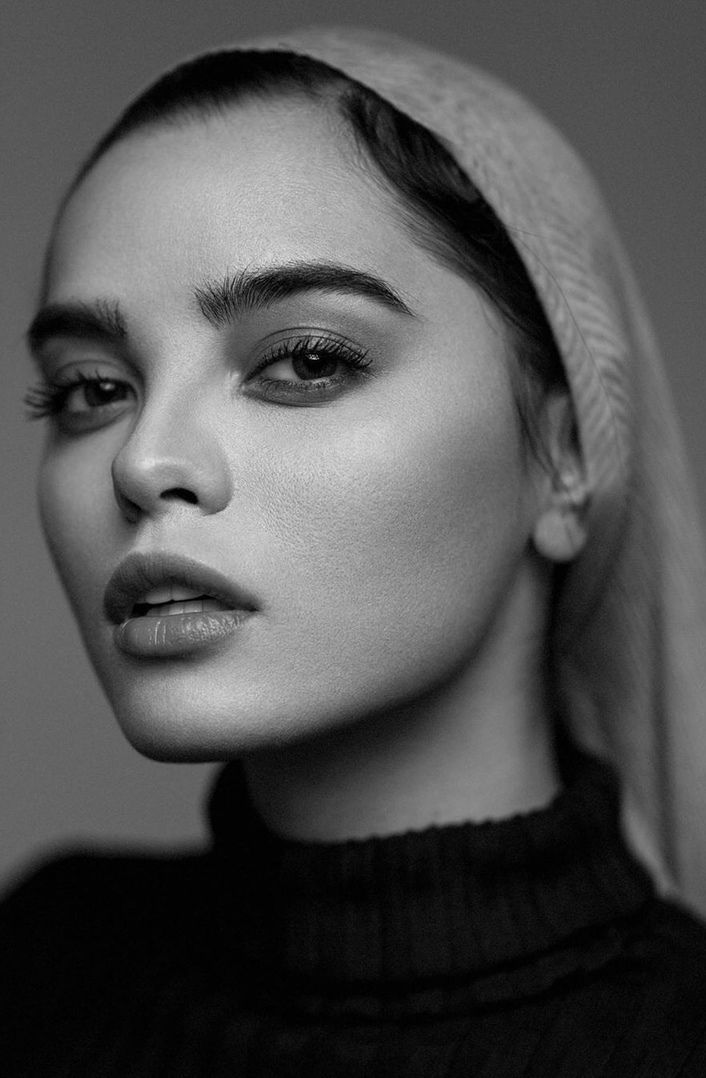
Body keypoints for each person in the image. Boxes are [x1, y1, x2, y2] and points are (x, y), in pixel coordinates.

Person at [3, 25, 706, 1075]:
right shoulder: (42, 960)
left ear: (565, 456)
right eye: (93, 389)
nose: (143, 462)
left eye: (306, 360)